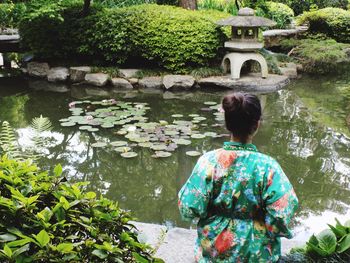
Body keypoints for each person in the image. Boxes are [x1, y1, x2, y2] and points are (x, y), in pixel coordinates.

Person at [178, 92, 298, 262]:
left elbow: (188, 207)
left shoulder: (209, 161)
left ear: (227, 124)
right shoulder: (268, 167)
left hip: (214, 252)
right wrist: (266, 226)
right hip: (256, 255)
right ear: (256, 125)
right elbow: (281, 213)